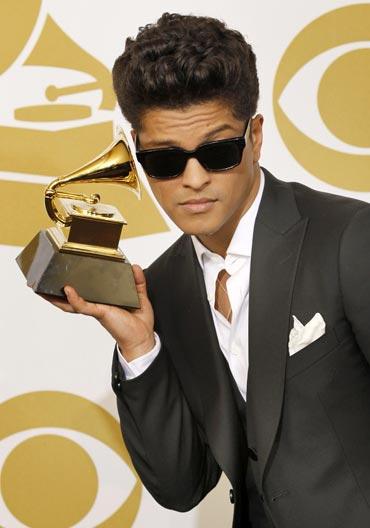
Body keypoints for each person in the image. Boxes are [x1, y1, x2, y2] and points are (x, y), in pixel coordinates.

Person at [46, 13, 370, 528]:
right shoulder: (162, 288)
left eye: (217, 151)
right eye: (165, 161)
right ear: (137, 154)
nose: (193, 180)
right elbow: (181, 486)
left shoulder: (349, 238)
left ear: (255, 136)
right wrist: (139, 348)